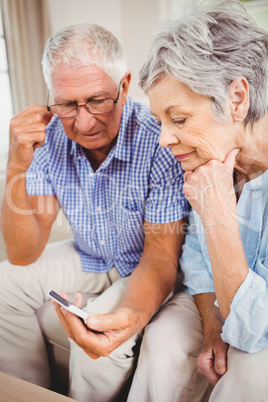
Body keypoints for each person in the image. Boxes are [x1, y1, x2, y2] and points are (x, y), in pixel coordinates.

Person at [0, 23, 188, 401]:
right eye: (67, 104)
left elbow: (162, 257)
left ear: (124, 85)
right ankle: (29, 394)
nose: (84, 123)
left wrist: (130, 316)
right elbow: (23, 252)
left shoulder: (160, 139)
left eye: (99, 99)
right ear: (51, 97)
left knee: (97, 342)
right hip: (90, 254)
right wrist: (16, 164)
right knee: (5, 282)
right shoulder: (50, 137)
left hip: (146, 263)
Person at [127, 0, 268, 401]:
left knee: (251, 372)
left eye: (180, 118)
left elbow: (254, 330)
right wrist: (210, 326)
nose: (163, 139)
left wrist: (219, 215)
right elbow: (196, 260)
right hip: (226, 308)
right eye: (160, 121)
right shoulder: (211, 160)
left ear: (237, 99)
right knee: (162, 338)